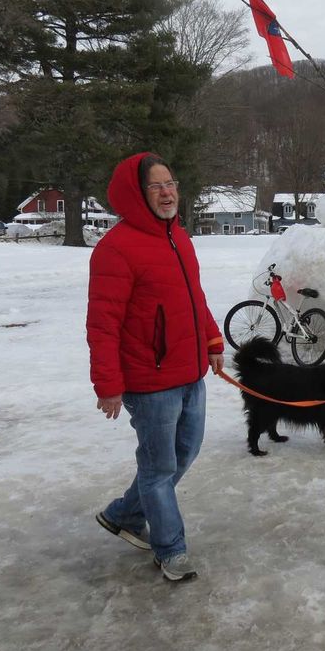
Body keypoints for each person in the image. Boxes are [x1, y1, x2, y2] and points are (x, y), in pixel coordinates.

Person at [86, 152, 224, 582]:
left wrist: (212, 339)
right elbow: (102, 324)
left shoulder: (178, 238)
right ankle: (171, 549)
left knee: (184, 454)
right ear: (135, 194)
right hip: (149, 382)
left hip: (189, 372)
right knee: (159, 467)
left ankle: (123, 514)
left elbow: (192, 298)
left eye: (171, 184)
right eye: (156, 186)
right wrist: (107, 384)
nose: (167, 193)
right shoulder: (116, 249)